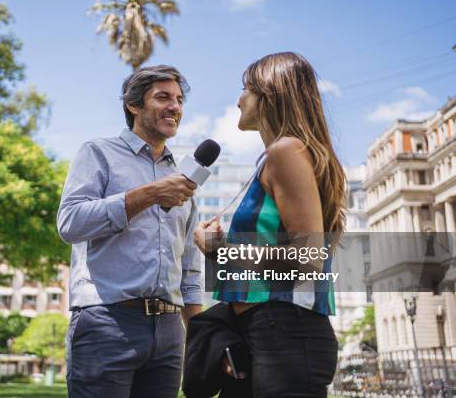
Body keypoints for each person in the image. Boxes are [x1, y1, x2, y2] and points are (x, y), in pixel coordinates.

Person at [193, 52, 345, 397]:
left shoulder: (286, 152)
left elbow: (307, 259)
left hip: (286, 335)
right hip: (263, 331)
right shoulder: (280, 156)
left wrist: (219, 250)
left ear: (270, 95)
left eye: (246, 88)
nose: (238, 99)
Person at [57, 65, 204, 398]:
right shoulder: (97, 153)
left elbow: (189, 265)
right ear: (133, 105)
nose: (175, 107)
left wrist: (198, 334)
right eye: (163, 97)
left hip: (169, 332)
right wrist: (149, 194)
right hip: (107, 321)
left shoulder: (181, 177)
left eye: (179, 100)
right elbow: (70, 223)